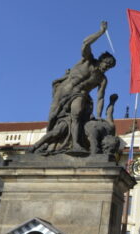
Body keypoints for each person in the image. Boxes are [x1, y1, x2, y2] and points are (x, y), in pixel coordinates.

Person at [30, 21, 116, 154]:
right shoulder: (87, 60)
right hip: (64, 90)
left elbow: (100, 98)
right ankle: (49, 144)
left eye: (109, 67)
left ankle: (76, 143)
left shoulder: (102, 79)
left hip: (80, 95)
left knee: (76, 115)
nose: (106, 67)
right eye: (106, 64)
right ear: (101, 59)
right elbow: (85, 43)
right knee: (53, 117)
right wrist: (101, 32)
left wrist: (99, 115)